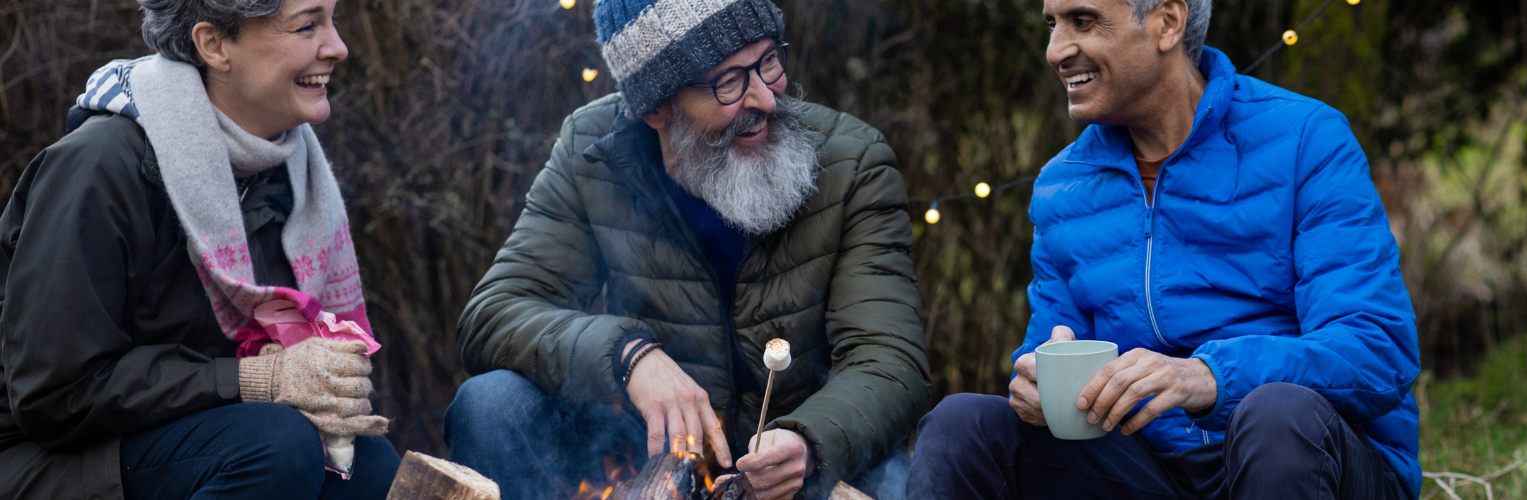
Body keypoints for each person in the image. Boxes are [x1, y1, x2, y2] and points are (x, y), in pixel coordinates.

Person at [906, 0, 1420, 498]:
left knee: (1276, 415)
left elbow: (1376, 349)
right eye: (1052, 24)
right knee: (962, 424)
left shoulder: (1306, 139)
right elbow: (1056, 353)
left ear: (1167, 22)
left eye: (1083, 21)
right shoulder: (1063, 187)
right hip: (1148, 472)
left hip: (1306, 460)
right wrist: (1035, 382)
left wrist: (1210, 377)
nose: (1056, 49)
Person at [443, 0, 929, 498]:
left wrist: (809, 440)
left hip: (801, 466)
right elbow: (493, 313)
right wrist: (629, 356)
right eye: (728, 82)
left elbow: (889, 359)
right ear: (656, 106)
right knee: (490, 404)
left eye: (768, 61)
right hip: (644, 455)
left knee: (901, 485)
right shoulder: (593, 152)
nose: (764, 97)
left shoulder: (853, 161)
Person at [0, 0, 399, 499]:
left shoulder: (283, 171)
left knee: (364, 462)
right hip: (43, 459)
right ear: (214, 45)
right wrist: (257, 378)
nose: (337, 48)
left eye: (332, 21)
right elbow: (54, 394)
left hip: (174, 433)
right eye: (306, 26)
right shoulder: (97, 169)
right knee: (279, 444)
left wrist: (304, 372)